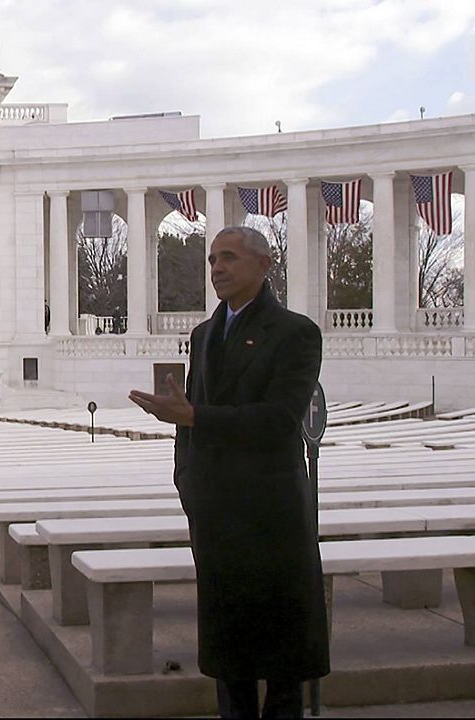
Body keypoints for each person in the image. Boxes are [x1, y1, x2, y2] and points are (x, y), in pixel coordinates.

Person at [129, 226, 329, 718]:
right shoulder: (203, 334)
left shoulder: (296, 333)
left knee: (283, 667)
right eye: (213, 259)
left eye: (229, 258)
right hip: (217, 516)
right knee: (230, 664)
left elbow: (281, 418)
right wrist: (187, 480)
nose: (216, 268)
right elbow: (189, 416)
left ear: (264, 265)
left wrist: (196, 418)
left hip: (271, 516)